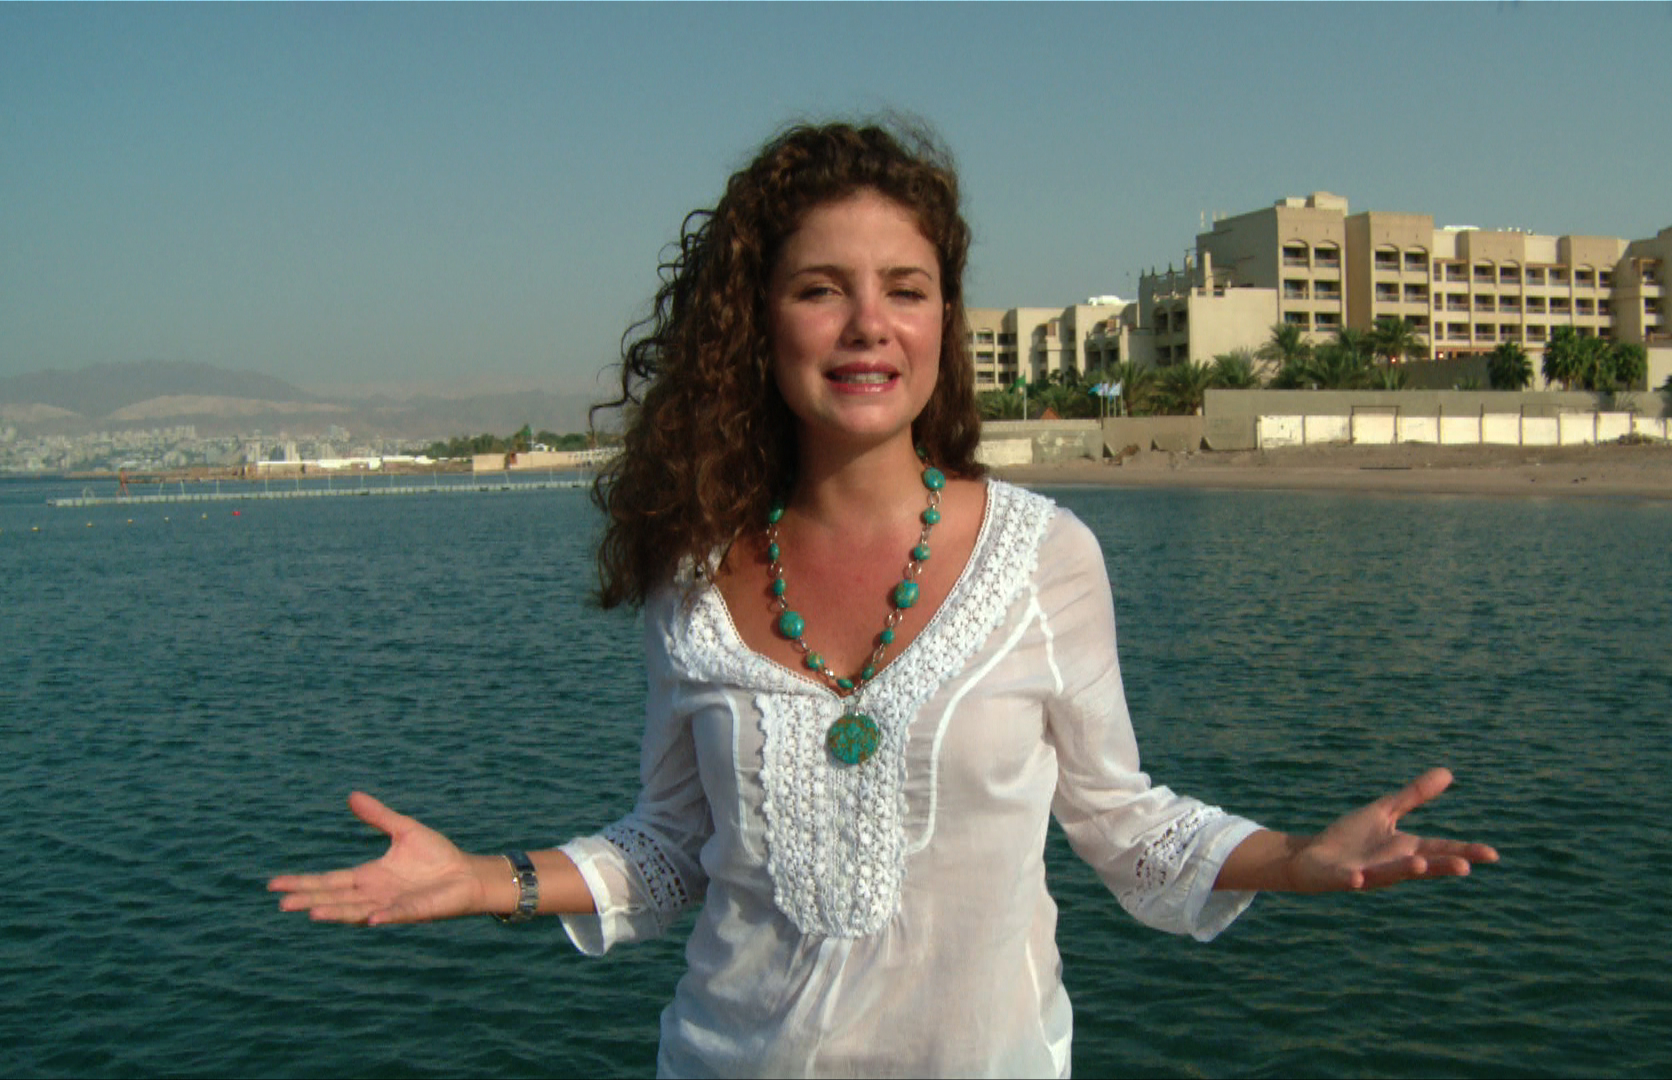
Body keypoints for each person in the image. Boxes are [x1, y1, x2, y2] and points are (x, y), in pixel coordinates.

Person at [270, 120, 1498, 1077]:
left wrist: (1291, 858)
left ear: (944, 320)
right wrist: (484, 878)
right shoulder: (694, 579)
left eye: (905, 288)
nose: (869, 325)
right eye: (821, 288)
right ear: (757, 324)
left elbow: (1127, 826)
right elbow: (677, 848)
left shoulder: (1044, 557)